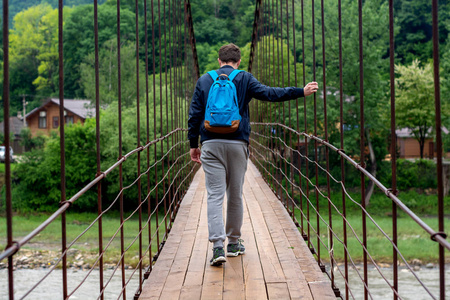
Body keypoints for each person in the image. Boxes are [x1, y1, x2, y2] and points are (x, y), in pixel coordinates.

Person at [188, 43, 318, 266]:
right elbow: (270, 94)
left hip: (210, 143)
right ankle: (234, 244)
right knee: (235, 194)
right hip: (238, 144)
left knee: (214, 195)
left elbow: (194, 115)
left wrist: (193, 144)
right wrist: (300, 92)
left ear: (219, 61)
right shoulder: (244, 78)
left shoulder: (205, 80)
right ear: (238, 62)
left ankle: (217, 248)